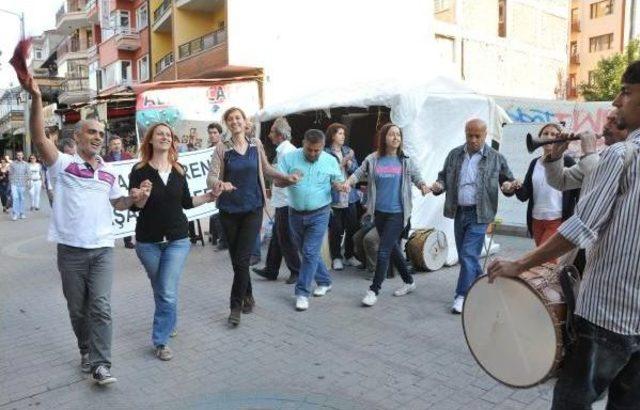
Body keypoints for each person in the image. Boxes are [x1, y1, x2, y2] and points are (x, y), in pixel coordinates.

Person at [488, 61, 640, 409]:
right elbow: (561, 180)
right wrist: (553, 157)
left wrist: (520, 264)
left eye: (626, 93)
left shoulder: (616, 156)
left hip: (608, 310)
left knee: (572, 401)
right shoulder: (611, 155)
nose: (616, 103)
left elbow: (583, 224)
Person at [20, 72, 139, 385]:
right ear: (78, 136)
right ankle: (85, 348)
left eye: (101, 132)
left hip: (102, 249)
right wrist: (36, 99)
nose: (98, 137)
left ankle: (101, 364)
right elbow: (39, 139)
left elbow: (119, 204)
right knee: (78, 310)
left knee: (100, 306)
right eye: (92, 132)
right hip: (71, 251)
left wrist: (134, 198)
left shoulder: (109, 172)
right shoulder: (63, 164)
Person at [129, 122, 221, 361]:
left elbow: (187, 203)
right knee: (161, 287)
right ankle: (170, 320)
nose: (165, 137)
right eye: (160, 134)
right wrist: (141, 197)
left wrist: (210, 196)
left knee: (167, 290)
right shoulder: (139, 170)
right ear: (150, 140)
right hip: (148, 241)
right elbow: (135, 208)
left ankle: (160, 341)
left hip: (178, 239)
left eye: (168, 134)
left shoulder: (179, 170)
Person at [207, 107, 297, 326]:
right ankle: (248, 294)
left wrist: (287, 177)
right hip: (229, 211)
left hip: (252, 209)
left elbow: (266, 170)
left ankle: (235, 307)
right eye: (230, 119)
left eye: (238, 118)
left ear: (244, 121)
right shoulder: (222, 148)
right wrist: (220, 184)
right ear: (227, 124)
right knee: (237, 261)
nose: (235, 121)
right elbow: (211, 177)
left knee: (242, 259)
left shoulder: (256, 145)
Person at [429, 118, 520, 314]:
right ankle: (485, 284)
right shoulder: (454, 155)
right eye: (470, 135)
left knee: (469, 255)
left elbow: (507, 182)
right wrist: (439, 186)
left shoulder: (496, 158)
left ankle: (461, 296)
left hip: (481, 214)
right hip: (459, 211)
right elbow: (443, 177)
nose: (473, 139)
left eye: (478, 136)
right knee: (466, 257)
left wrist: (508, 186)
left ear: (485, 135)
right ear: (465, 134)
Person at [341, 123, 430, 306]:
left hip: (398, 214)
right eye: (392, 134)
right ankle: (409, 281)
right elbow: (358, 173)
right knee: (394, 250)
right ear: (384, 138)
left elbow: (417, 177)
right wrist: (348, 183)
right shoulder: (373, 159)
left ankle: (374, 290)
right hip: (379, 213)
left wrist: (423, 186)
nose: (396, 138)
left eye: (398, 135)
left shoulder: (405, 160)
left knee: (383, 251)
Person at [278, 129, 344, 311]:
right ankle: (325, 281)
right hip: (295, 212)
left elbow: (338, 180)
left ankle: (302, 293)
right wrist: (287, 180)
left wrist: (340, 186)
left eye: (317, 150)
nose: (313, 153)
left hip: (320, 212)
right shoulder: (289, 158)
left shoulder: (330, 160)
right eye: (309, 150)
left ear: (323, 147)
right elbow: (277, 182)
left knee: (309, 252)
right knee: (307, 252)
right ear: (303, 144)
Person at [514, 124, 580, 248]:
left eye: (554, 134)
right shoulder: (534, 163)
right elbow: (525, 195)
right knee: (542, 263)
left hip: (557, 220)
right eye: (545, 133)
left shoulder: (568, 162)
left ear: (559, 139)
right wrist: (516, 186)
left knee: (547, 261)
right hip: (536, 220)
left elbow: (578, 193)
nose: (549, 137)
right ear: (539, 137)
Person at [252, 117, 301, 284]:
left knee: (285, 236)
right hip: (282, 199)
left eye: (273, 131)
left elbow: (285, 176)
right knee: (277, 237)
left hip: (287, 200)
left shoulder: (287, 152)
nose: (270, 134)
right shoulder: (283, 150)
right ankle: (271, 269)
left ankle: (296, 270)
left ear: (280, 135)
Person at [325, 123, 361, 270]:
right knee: (336, 229)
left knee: (352, 227)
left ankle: (349, 255)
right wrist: (344, 161)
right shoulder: (325, 153)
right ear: (332, 135)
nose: (343, 136)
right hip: (334, 196)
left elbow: (358, 171)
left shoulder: (348, 151)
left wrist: (351, 165)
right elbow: (327, 173)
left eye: (344, 134)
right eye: (340, 133)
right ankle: (336, 257)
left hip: (349, 195)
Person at [104, 135, 135, 249]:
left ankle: (128, 240)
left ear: (121, 145)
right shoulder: (105, 159)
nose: (116, 146)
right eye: (114, 144)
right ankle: (110, 238)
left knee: (126, 211)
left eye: (118, 143)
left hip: (125, 188)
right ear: (110, 146)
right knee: (111, 213)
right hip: (112, 191)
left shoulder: (128, 157)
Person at [206, 122, 227, 251]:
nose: (212, 135)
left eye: (215, 133)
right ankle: (222, 239)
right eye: (210, 133)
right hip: (214, 183)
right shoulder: (209, 148)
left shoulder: (223, 147)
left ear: (220, 134)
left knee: (221, 212)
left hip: (223, 183)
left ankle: (224, 240)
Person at [8, 151, 30, 220]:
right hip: (14, 183)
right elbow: (10, 174)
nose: (19, 156)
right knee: (15, 198)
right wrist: (11, 182)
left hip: (22, 184)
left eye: (21, 155)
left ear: (23, 156)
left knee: (22, 198)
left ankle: (22, 213)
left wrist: (28, 182)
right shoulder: (13, 164)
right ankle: (15, 214)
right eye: (18, 155)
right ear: (16, 156)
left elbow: (28, 174)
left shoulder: (26, 164)